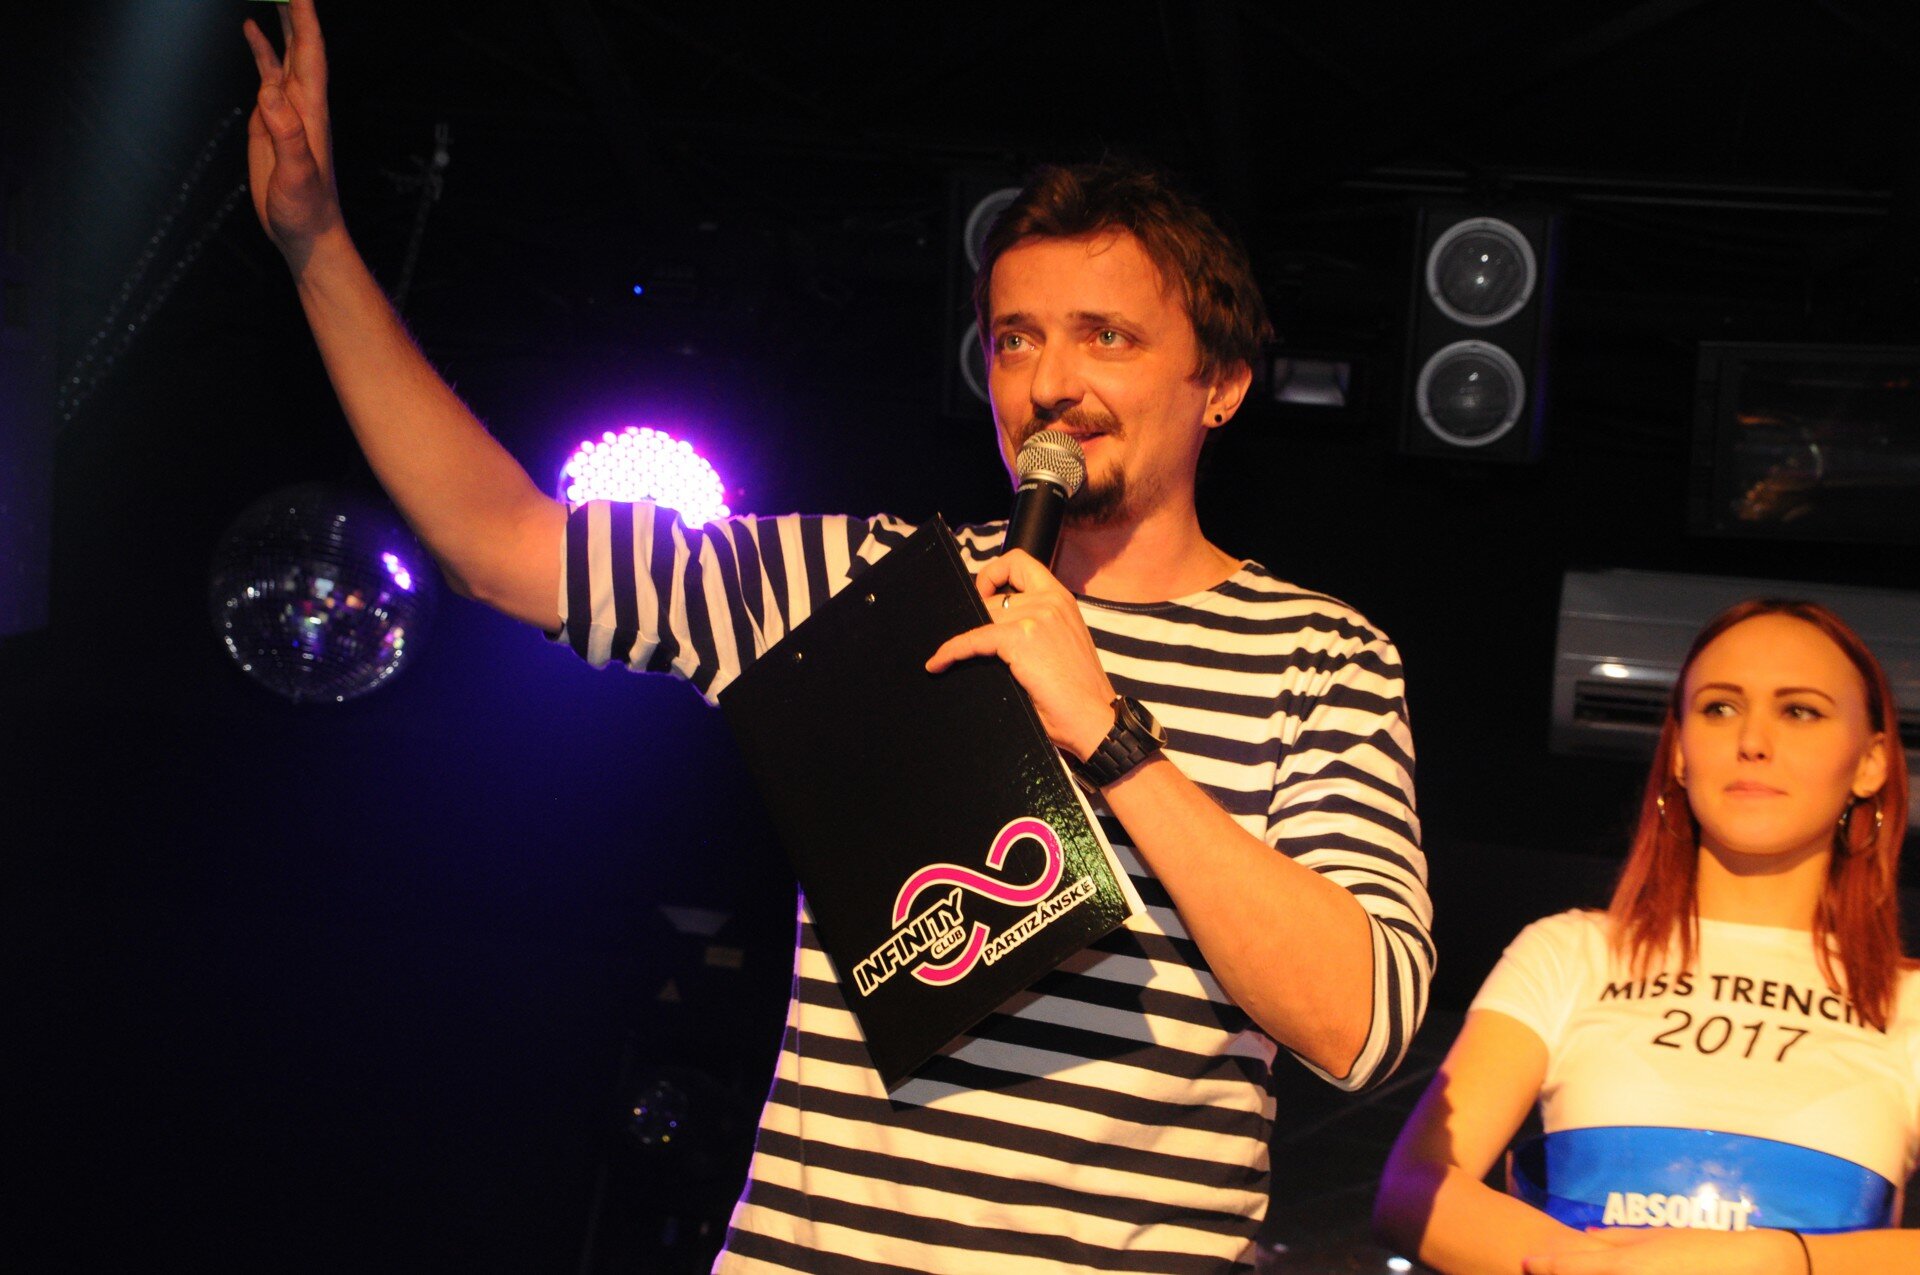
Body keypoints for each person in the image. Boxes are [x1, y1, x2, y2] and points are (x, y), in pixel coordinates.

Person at [244, 2, 1433, 1268]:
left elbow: (1356, 1024)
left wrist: (1107, 732)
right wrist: (317, 247)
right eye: (1018, 339)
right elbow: (500, 545)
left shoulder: (1324, 659)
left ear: (1222, 383)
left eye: (1109, 337)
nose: (1052, 382)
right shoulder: (866, 584)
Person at [1374, 599, 1919, 1275]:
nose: (1753, 740)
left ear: (1870, 762)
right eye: (1720, 707)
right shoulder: (1569, 954)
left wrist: (1778, 1260)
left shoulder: (1907, 1002)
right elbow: (1415, 1188)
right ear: (1681, 751)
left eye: (1800, 710)